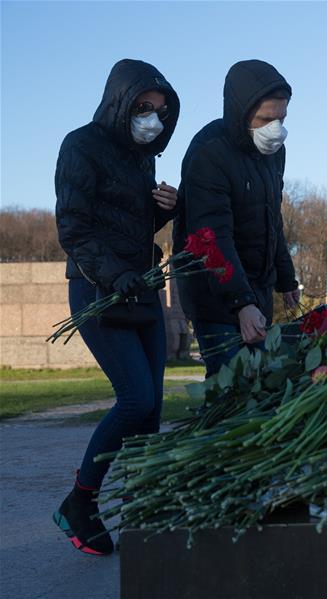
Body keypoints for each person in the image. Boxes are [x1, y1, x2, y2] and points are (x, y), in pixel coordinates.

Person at [54, 59, 180, 555]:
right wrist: (115, 275)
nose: (152, 119)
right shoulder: (80, 145)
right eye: (144, 108)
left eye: (161, 112)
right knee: (135, 400)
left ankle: (142, 508)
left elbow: (128, 225)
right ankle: (79, 502)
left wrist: (161, 210)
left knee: (151, 411)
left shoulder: (141, 156)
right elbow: (76, 229)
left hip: (140, 287)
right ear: (120, 102)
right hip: (98, 288)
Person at [173, 60, 299, 377]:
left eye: (281, 118)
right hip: (217, 297)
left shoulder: (273, 152)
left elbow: (273, 218)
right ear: (242, 114)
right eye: (266, 119)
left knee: (256, 392)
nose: (276, 128)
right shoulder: (210, 152)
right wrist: (241, 303)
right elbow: (210, 238)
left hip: (257, 291)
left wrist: (286, 277)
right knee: (228, 391)